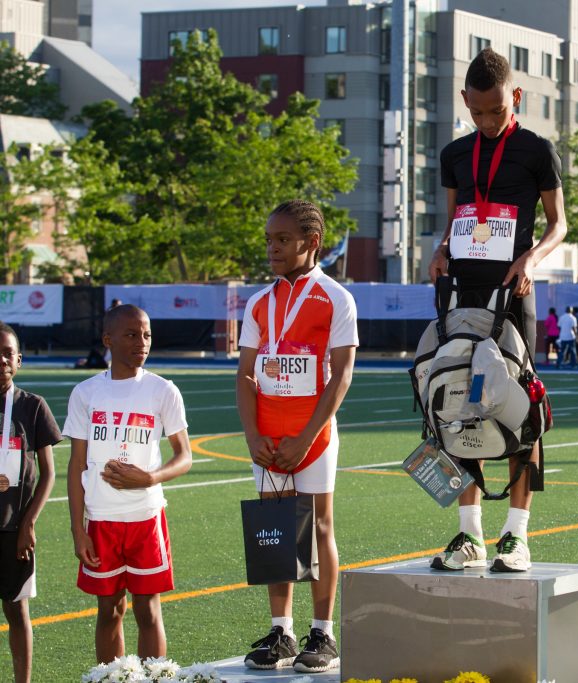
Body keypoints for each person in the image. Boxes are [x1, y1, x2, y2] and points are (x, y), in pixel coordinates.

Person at [427, 47, 567, 573]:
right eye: (477, 112)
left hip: (513, 297)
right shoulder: (454, 155)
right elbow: (455, 219)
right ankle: (469, 537)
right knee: (458, 405)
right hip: (461, 295)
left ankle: (516, 535)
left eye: (497, 112)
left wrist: (531, 257)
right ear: (464, 100)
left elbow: (559, 225)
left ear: (516, 98)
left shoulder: (537, 150)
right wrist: (441, 250)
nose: (486, 122)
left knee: (515, 409)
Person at [237, 200, 358, 673]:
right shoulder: (258, 302)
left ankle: (323, 634)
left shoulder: (336, 298)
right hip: (267, 435)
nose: (272, 248)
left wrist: (306, 438)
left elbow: (341, 376)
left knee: (319, 527)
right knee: (276, 530)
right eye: (269, 240)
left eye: (282, 240)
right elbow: (245, 376)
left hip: (314, 435)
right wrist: (252, 436)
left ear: (311, 242)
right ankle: (281, 630)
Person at [64, 304, 192, 664]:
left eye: (147, 334)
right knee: (109, 611)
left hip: (145, 517)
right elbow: (76, 465)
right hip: (101, 520)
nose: (142, 342)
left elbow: (184, 457)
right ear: (108, 340)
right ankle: (111, 676)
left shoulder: (162, 390)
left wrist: (149, 477)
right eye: (132, 335)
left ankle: (152, 677)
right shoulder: (86, 393)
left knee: (148, 612)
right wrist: (78, 530)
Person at [0, 322, 60, 683]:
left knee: (16, 610)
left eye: (8, 353)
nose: (1, 360)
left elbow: (49, 473)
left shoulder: (32, 407)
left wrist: (29, 523)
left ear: (19, 360)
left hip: (14, 529)